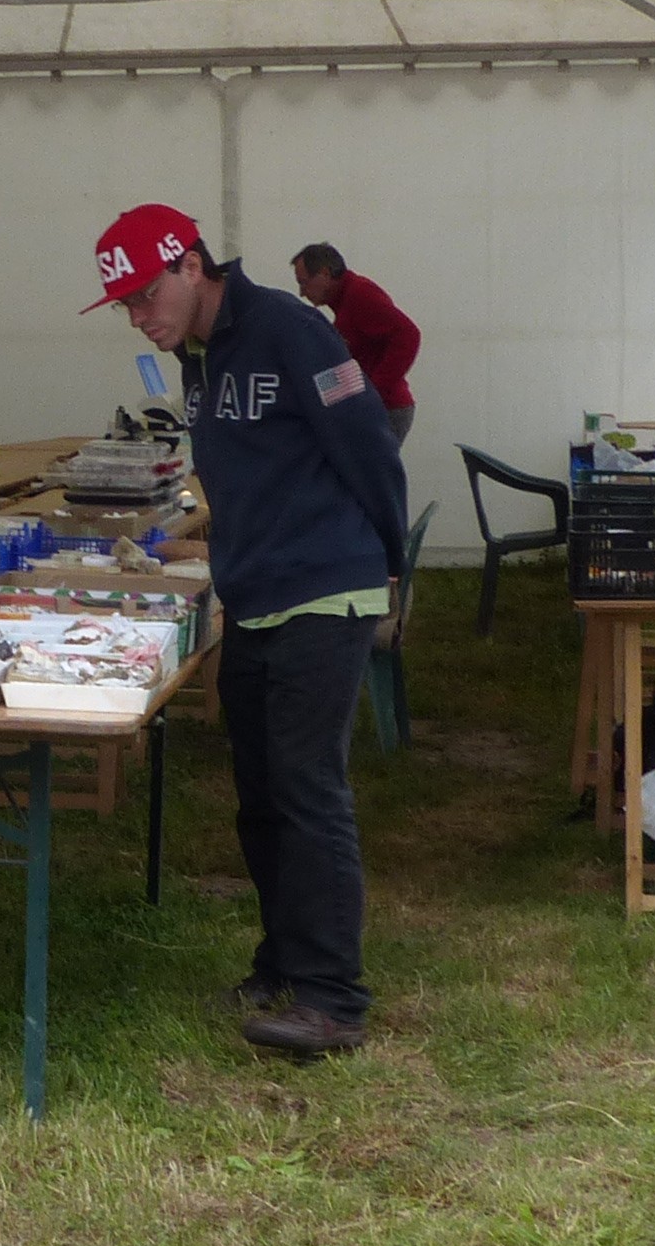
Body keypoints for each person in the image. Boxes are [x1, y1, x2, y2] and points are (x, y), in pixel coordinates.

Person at [92, 204, 407, 1059]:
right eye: (124, 305)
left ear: (191, 266)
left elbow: (368, 444)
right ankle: (283, 963)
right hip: (256, 594)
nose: (138, 316)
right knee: (262, 796)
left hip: (324, 587)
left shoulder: (292, 332)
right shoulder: (198, 356)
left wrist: (387, 560)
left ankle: (334, 999)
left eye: (146, 294)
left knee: (308, 790)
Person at [289, 244, 423, 456]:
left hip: (386, 409)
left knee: (366, 473)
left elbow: (408, 335)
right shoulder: (345, 303)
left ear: (324, 273)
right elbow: (353, 364)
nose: (302, 293)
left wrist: (373, 390)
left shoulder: (360, 294)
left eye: (303, 283)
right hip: (372, 407)